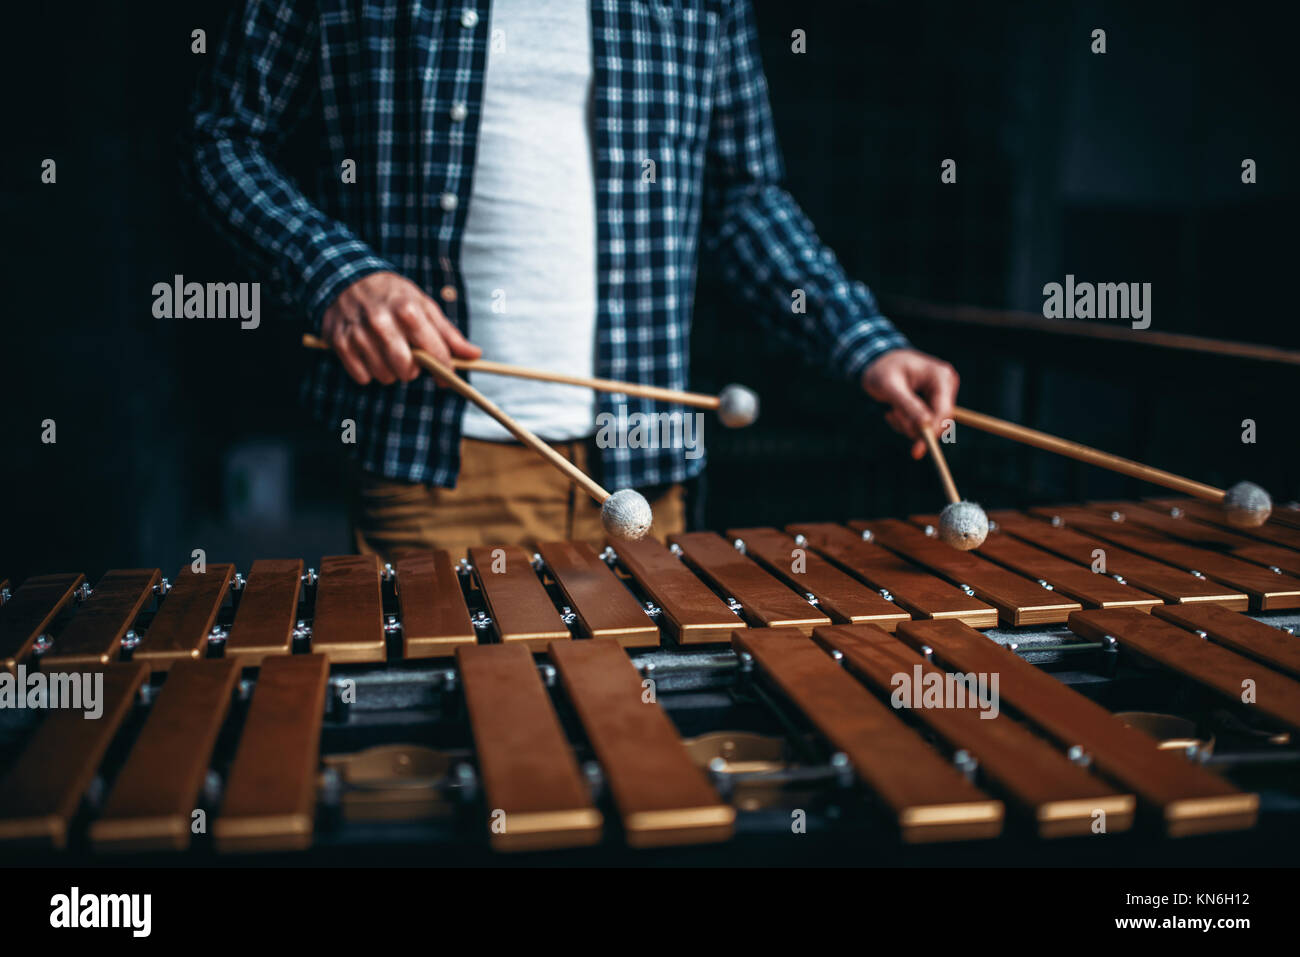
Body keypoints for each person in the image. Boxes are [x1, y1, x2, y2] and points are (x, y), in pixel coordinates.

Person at [184, 0, 959, 558]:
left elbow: (740, 195)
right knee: (461, 749)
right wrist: (338, 273)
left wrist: (862, 344)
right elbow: (222, 138)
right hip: (440, 453)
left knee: (636, 738)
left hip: (647, 455)